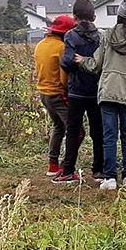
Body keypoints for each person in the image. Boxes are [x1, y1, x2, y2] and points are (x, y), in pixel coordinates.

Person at [77, 0, 126, 190]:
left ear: (119, 16)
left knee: (109, 135)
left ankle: (109, 178)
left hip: (108, 90)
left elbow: (96, 64)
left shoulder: (107, 36)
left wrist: (82, 60)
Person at [54, 0, 102, 184]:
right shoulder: (101, 37)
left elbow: (66, 62)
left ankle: (68, 170)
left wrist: (77, 63)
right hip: (97, 89)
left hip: (76, 91)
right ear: (94, 17)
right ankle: (99, 170)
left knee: (73, 131)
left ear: (74, 17)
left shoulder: (71, 36)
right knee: (98, 131)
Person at [34, 14, 74, 178]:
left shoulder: (40, 45)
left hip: (44, 93)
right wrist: (69, 91)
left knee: (58, 127)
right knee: (77, 131)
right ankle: (66, 167)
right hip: (58, 94)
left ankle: (53, 165)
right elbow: (63, 75)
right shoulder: (61, 47)